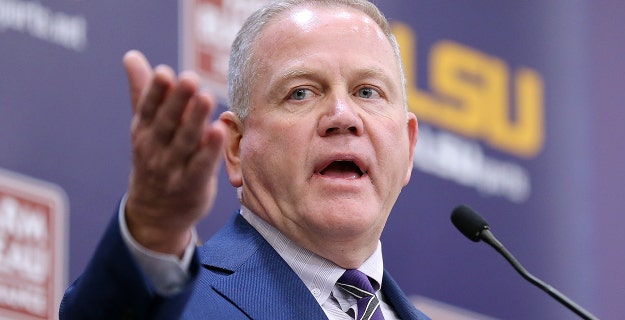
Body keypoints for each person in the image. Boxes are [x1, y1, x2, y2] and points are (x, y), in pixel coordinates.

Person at [60, 0, 428, 319]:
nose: (343, 116)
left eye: (368, 91)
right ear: (236, 146)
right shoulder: (170, 302)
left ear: (408, 147)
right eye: (301, 92)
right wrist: (154, 228)